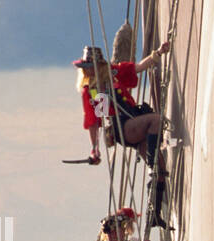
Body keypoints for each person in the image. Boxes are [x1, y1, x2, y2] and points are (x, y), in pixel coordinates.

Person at [74, 42, 173, 227]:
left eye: (90, 67)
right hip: (125, 126)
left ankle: (155, 214)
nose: (87, 71)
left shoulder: (113, 74)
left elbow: (137, 68)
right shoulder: (94, 90)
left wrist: (158, 52)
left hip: (134, 121)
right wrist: (94, 149)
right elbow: (95, 122)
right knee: (156, 121)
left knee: (160, 170)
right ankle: (153, 162)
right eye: (85, 68)